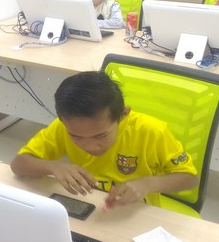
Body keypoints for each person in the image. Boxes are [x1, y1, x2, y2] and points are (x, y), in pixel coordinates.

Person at [10, 71, 198, 210]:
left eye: (100, 135)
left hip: (135, 211)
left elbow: (190, 179)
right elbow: (18, 165)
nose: (89, 146)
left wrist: (149, 183)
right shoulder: (63, 127)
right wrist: (53, 167)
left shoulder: (152, 132)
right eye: (76, 136)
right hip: (87, 206)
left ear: (123, 114)